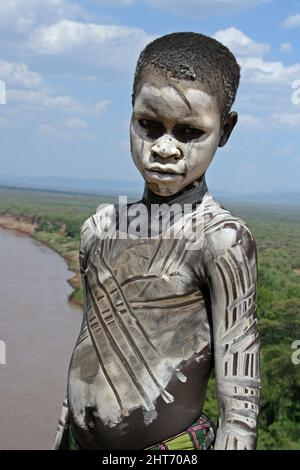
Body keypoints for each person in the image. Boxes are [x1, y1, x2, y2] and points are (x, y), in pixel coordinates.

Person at [54, 32, 260, 450]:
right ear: (130, 114)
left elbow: (239, 403)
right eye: (149, 125)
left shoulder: (221, 240)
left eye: (188, 132)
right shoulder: (99, 228)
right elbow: (89, 345)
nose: (165, 148)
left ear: (225, 130)